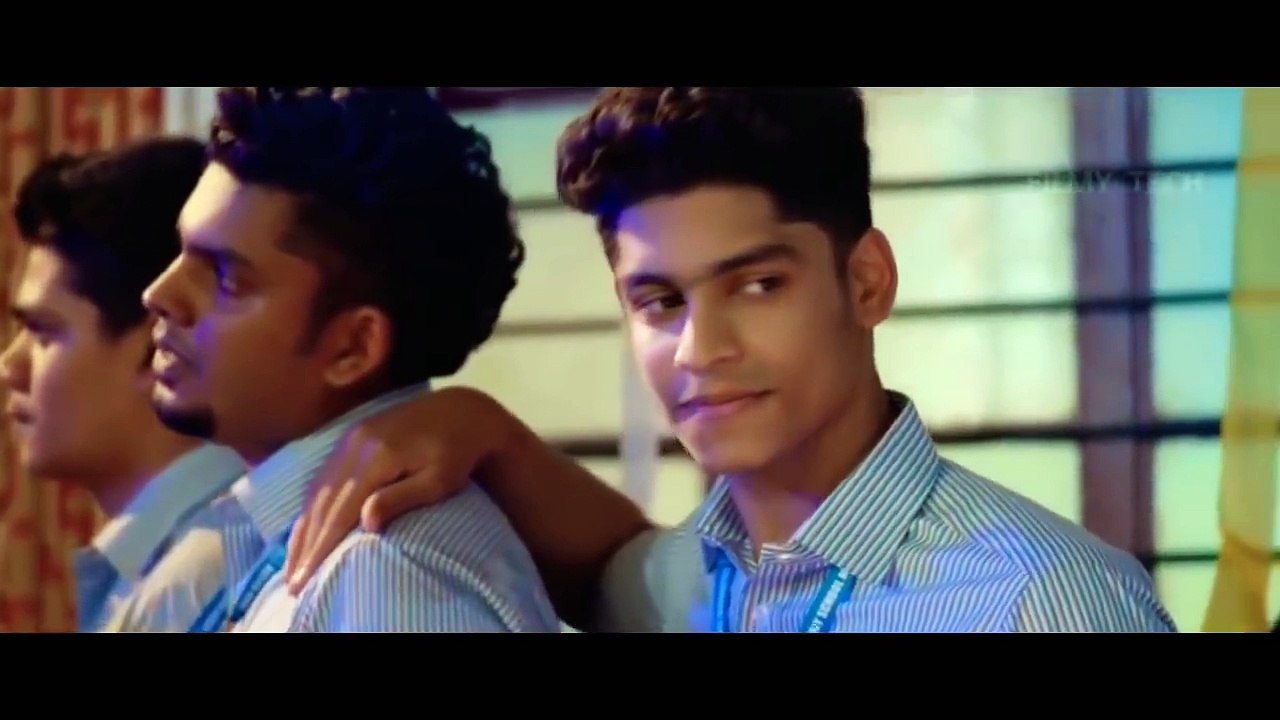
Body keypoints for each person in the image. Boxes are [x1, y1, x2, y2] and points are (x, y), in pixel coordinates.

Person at [285, 87, 1179, 632]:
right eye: (660, 302)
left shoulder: (1044, 601)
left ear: (866, 281)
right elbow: (610, 562)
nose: (702, 350)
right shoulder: (686, 586)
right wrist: (474, 423)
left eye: (756, 285)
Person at [134, 86, 559, 632]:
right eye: (181, 252)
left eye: (226, 278)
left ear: (353, 348)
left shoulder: (388, 569)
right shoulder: (302, 547)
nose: (159, 294)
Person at [0, 138, 246, 632]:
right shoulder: (167, 564)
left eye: (45, 332)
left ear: (160, 341)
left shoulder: (195, 585)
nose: (10, 366)